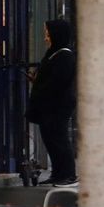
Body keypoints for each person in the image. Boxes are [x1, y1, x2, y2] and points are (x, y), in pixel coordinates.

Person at [26, 18, 77, 186]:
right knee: (50, 139)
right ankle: (58, 172)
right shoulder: (54, 53)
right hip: (49, 105)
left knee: (59, 138)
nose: (46, 37)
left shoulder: (65, 55)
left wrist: (42, 85)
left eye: (48, 34)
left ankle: (68, 175)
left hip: (58, 106)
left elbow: (58, 81)